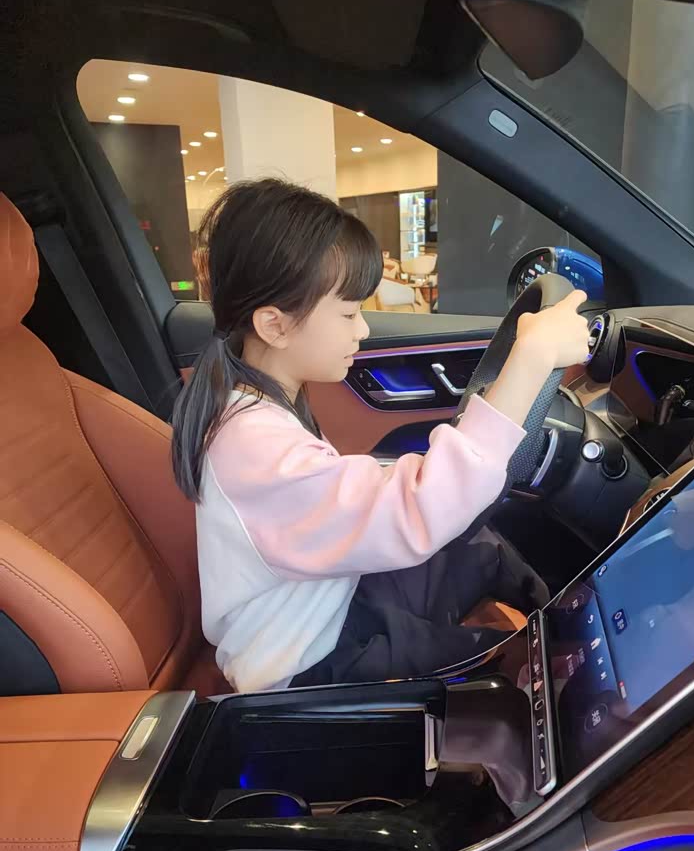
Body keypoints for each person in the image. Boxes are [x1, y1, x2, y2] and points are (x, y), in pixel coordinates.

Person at [172, 178, 590, 694]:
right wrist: (531, 358)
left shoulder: (257, 404)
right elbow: (417, 510)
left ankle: (568, 624)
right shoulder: (252, 445)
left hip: (327, 600)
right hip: (309, 657)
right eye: (349, 313)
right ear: (274, 326)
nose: (363, 330)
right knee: (512, 665)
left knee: (485, 550)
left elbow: (355, 499)